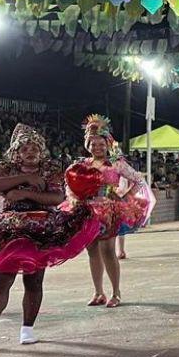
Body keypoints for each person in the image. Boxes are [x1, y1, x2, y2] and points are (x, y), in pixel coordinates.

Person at [0, 125, 100, 353]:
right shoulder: (6, 166)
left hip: (41, 229)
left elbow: (57, 197)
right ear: (17, 152)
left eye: (35, 148)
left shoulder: (49, 168)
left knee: (34, 282)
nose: (31, 152)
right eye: (25, 148)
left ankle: (27, 330)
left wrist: (25, 193)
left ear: (41, 151)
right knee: (1, 280)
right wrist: (26, 178)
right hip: (8, 228)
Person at [68, 115, 150, 308]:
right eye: (93, 144)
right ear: (88, 145)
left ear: (107, 144)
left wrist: (123, 196)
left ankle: (116, 292)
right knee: (92, 250)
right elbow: (69, 185)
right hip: (87, 210)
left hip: (108, 210)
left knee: (108, 250)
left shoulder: (116, 163)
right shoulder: (82, 165)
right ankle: (98, 292)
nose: (97, 147)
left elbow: (138, 180)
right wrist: (74, 199)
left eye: (101, 144)